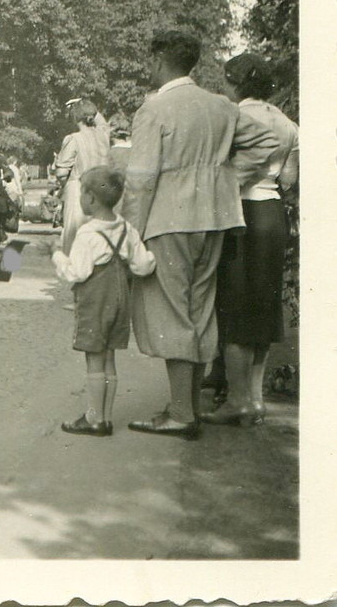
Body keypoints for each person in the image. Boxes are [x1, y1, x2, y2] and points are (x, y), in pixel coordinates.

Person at [122, 30, 278, 439]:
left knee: (171, 311)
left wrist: (129, 235)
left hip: (168, 221)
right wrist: (224, 180)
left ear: (158, 60)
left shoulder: (153, 110)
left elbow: (139, 181)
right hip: (215, 219)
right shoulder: (220, 106)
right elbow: (266, 140)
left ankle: (180, 413)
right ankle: (187, 405)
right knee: (200, 310)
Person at [202, 52, 299, 426]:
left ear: (236, 83)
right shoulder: (286, 122)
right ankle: (255, 400)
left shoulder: (236, 117)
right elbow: (288, 179)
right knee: (262, 308)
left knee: (234, 307)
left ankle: (237, 400)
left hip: (240, 211)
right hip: (273, 215)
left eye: (227, 81)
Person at [53, 166, 156, 436]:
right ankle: (106, 417)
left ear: (89, 198)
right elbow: (144, 265)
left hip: (96, 302)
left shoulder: (88, 234)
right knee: (109, 358)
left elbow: (77, 272)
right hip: (120, 301)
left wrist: (57, 257)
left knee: (94, 358)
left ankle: (95, 418)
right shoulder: (127, 229)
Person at [55, 99, 111, 254]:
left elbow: (61, 172)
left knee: (74, 234)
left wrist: (64, 185)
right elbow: (103, 122)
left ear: (75, 117)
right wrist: (88, 105)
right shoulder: (104, 135)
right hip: (102, 189)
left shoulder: (73, 138)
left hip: (79, 189)